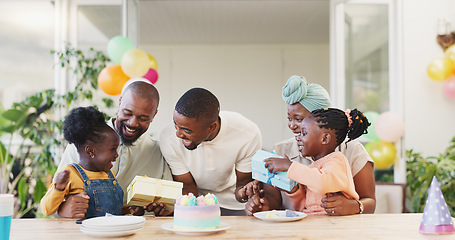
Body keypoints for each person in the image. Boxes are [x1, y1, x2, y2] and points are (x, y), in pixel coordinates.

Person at [244, 75, 376, 216]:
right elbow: (285, 203)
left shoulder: (350, 152)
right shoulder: (281, 150)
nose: (292, 126)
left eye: (299, 119)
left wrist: (354, 206)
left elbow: (369, 201)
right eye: (289, 118)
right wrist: (263, 205)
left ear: (319, 120)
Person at [56, 79, 173, 218]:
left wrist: (166, 209)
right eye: (127, 113)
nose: (132, 123)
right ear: (119, 103)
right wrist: (62, 210)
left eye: (143, 118)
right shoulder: (84, 140)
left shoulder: (159, 152)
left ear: (154, 115)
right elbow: (53, 204)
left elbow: (171, 205)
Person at [159, 87, 262, 216]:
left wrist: (245, 193)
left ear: (211, 127)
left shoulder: (247, 133)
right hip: (196, 201)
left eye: (187, 130)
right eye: (175, 125)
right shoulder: (167, 138)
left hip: (233, 204)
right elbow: (187, 187)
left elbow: (242, 186)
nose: (178, 134)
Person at [264, 108, 369, 215]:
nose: (297, 138)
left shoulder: (337, 160)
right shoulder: (313, 169)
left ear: (325, 138)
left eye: (304, 133)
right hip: (314, 223)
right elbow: (304, 207)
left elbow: (322, 183)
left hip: (335, 225)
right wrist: (294, 191)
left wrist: (290, 166)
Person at [41, 106, 124, 218]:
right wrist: (58, 188)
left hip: (112, 232)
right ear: (91, 151)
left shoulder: (110, 175)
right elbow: (46, 209)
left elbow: (112, 211)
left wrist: (130, 210)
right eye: (113, 149)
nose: (116, 154)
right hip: (82, 234)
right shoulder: (70, 174)